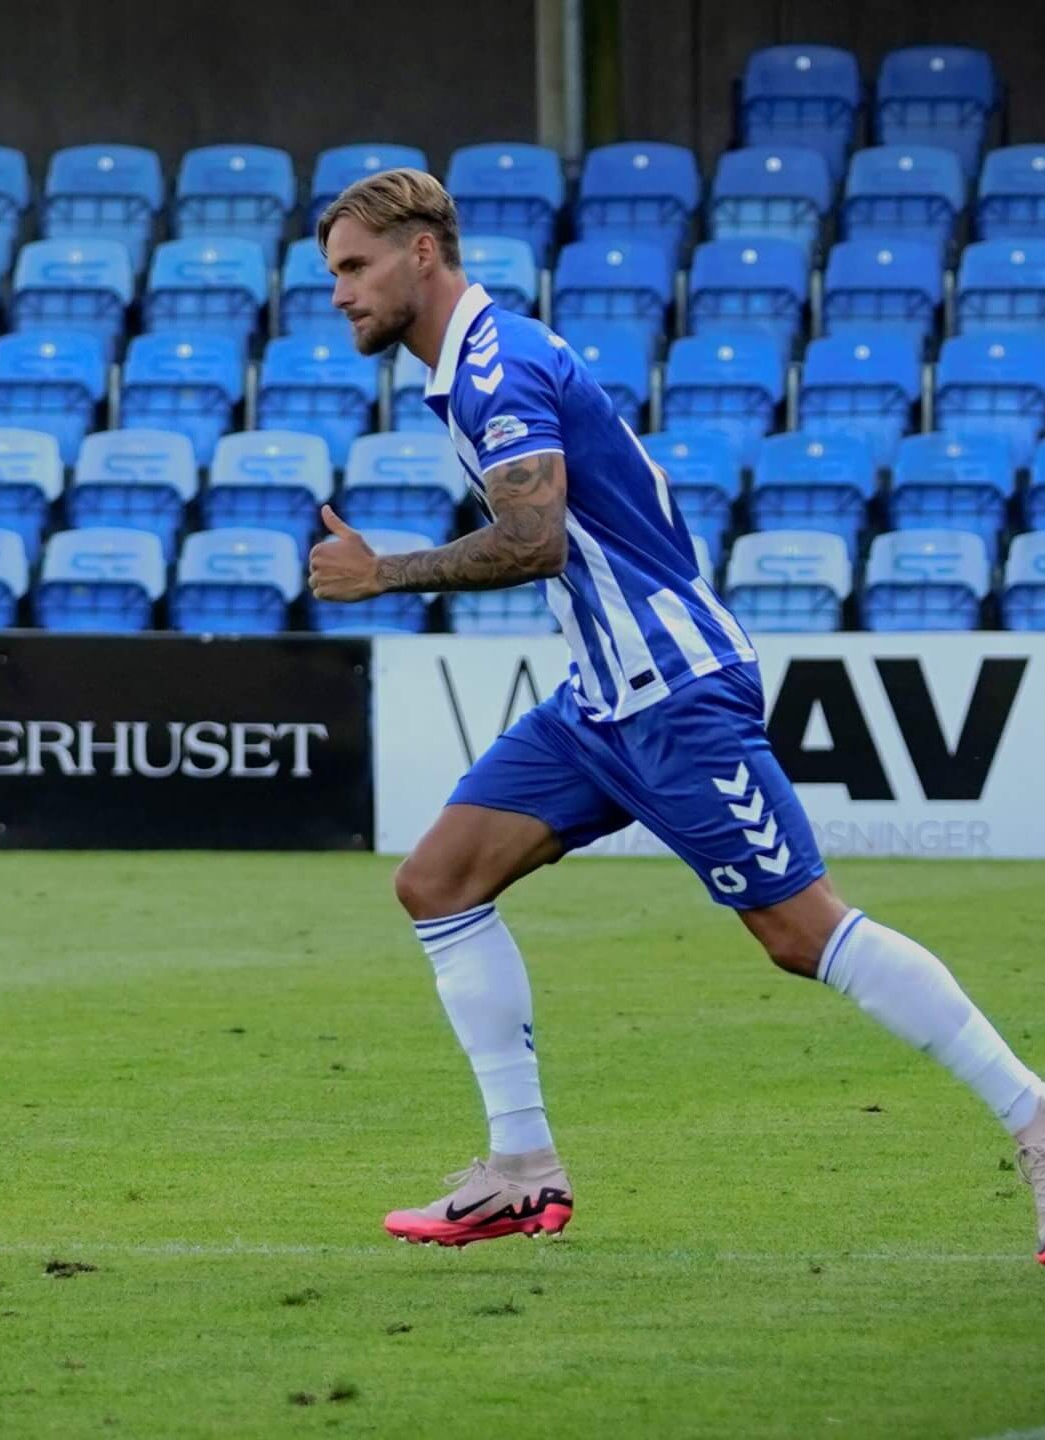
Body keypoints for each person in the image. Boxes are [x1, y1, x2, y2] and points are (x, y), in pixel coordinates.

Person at [307, 168, 1045, 1261]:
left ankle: (1034, 1115)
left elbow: (534, 541)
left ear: (424, 254)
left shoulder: (497, 369)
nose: (339, 294)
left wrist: (387, 575)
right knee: (439, 881)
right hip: (602, 702)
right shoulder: (471, 366)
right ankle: (521, 1168)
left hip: (675, 694)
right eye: (333, 274)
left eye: (355, 268)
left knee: (803, 935)